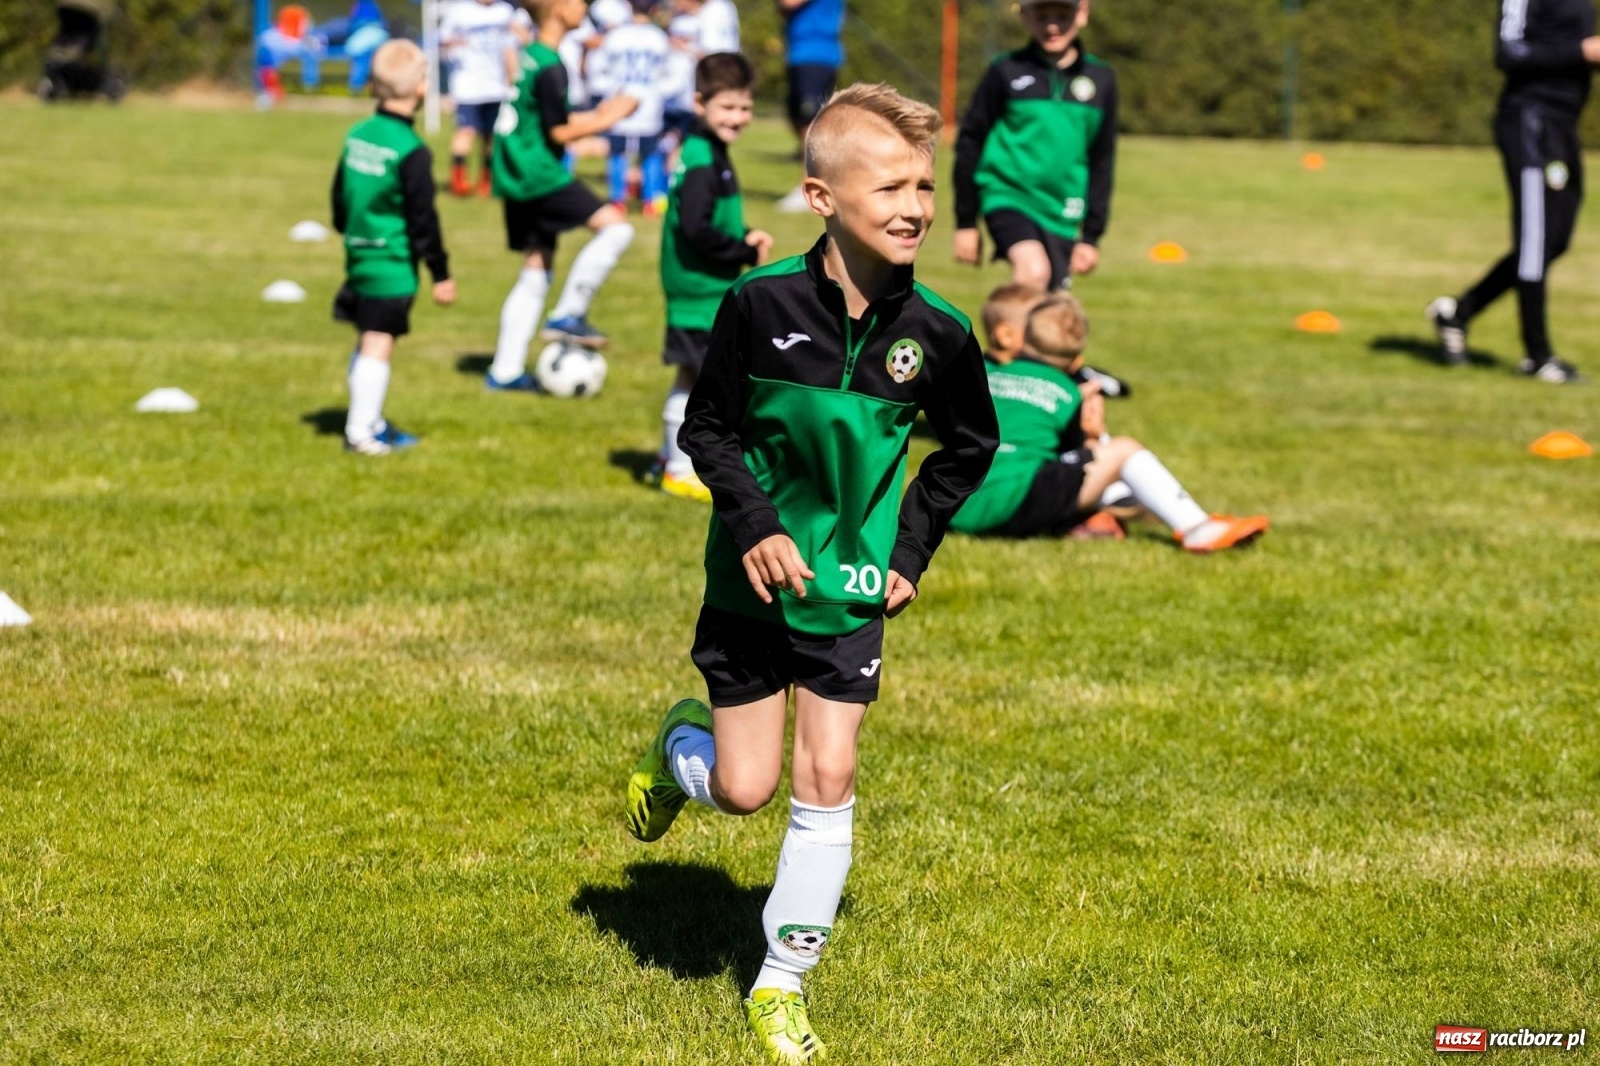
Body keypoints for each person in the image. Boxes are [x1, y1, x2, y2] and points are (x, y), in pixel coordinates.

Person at [624, 84, 999, 1064]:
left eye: (924, 185)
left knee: (827, 771)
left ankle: (780, 984)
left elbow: (966, 450)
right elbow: (704, 430)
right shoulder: (757, 306)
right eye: (889, 187)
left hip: (849, 588)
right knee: (743, 790)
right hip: (748, 585)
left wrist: (907, 550)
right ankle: (678, 750)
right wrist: (750, 522)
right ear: (822, 196)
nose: (916, 205)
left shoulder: (944, 335)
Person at [951, 287, 1268, 552]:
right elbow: (1077, 458)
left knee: (1103, 484)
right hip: (1015, 502)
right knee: (1122, 452)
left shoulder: (987, 374)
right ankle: (1197, 527)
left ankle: (1101, 518)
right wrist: (1094, 432)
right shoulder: (1070, 392)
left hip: (956, 501)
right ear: (1077, 361)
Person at [1426, 0, 1599, 384]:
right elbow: (1509, 52)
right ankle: (1538, 357)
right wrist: (1581, 51)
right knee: (1535, 240)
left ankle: (1458, 312)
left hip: (1563, 125)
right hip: (1529, 119)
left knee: (1555, 240)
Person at [485, 0, 638, 391]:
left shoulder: (529, 55)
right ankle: (568, 313)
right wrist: (608, 118)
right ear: (556, 8)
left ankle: (504, 372)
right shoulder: (553, 64)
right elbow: (559, 133)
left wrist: (600, 113)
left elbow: (547, 120)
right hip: (539, 172)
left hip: (516, 170)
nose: (584, 6)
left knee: (536, 269)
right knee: (617, 228)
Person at [655, 52, 774, 502]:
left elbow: (707, 219)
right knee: (697, 379)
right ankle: (679, 467)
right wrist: (742, 250)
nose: (739, 117)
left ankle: (670, 458)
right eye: (728, 107)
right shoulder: (703, 156)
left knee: (700, 376)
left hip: (703, 287)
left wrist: (743, 233)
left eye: (745, 108)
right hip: (697, 290)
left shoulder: (707, 150)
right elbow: (695, 228)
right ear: (700, 102)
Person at [330, 39, 455, 455]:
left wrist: (349, 231)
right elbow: (424, 220)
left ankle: (369, 419)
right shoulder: (411, 151)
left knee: (367, 339)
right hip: (392, 264)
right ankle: (361, 433)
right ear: (421, 88)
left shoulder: (357, 135)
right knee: (379, 343)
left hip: (358, 255)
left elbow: (339, 197)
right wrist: (440, 272)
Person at [953, 0, 1117, 292]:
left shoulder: (1101, 79)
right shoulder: (1005, 71)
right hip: (1008, 194)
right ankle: (1005, 337)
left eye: (1062, 15)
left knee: (1054, 308)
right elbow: (970, 141)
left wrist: (1091, 236)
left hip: (1063, 209)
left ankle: (1004, 335)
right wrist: (966, 220)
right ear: (1025, 17)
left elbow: (1102, 160)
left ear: (1082, 14)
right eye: (1042, 15)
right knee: (1032, 273)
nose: (1052, 25)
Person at [588, 0, 672, 214]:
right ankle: (651, 200)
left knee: (617, 151)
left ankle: (618, 199)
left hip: (620, 101)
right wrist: (659, 91)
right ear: (653, 9)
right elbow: (672, 73)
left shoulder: (616, 36)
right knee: (650, 152)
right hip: (649, 103)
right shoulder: (659, 37)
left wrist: (609, 90)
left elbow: (596, 69)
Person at [440, 0, 522, 197]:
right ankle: (458, 181)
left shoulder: (504, 11)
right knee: (466, 131)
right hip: (467, 85)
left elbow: (510, 46)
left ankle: (487, 180)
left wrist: (512, 78)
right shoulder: (459, 10)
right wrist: (455, 42)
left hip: (495, 86)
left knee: (491, 136)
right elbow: (443, 40)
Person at [773, 0, 844, 213]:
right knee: (798, 119)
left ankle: (809, 186)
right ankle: (824, 178)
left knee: (809, 122)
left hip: (816, 55)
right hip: (800, 53)